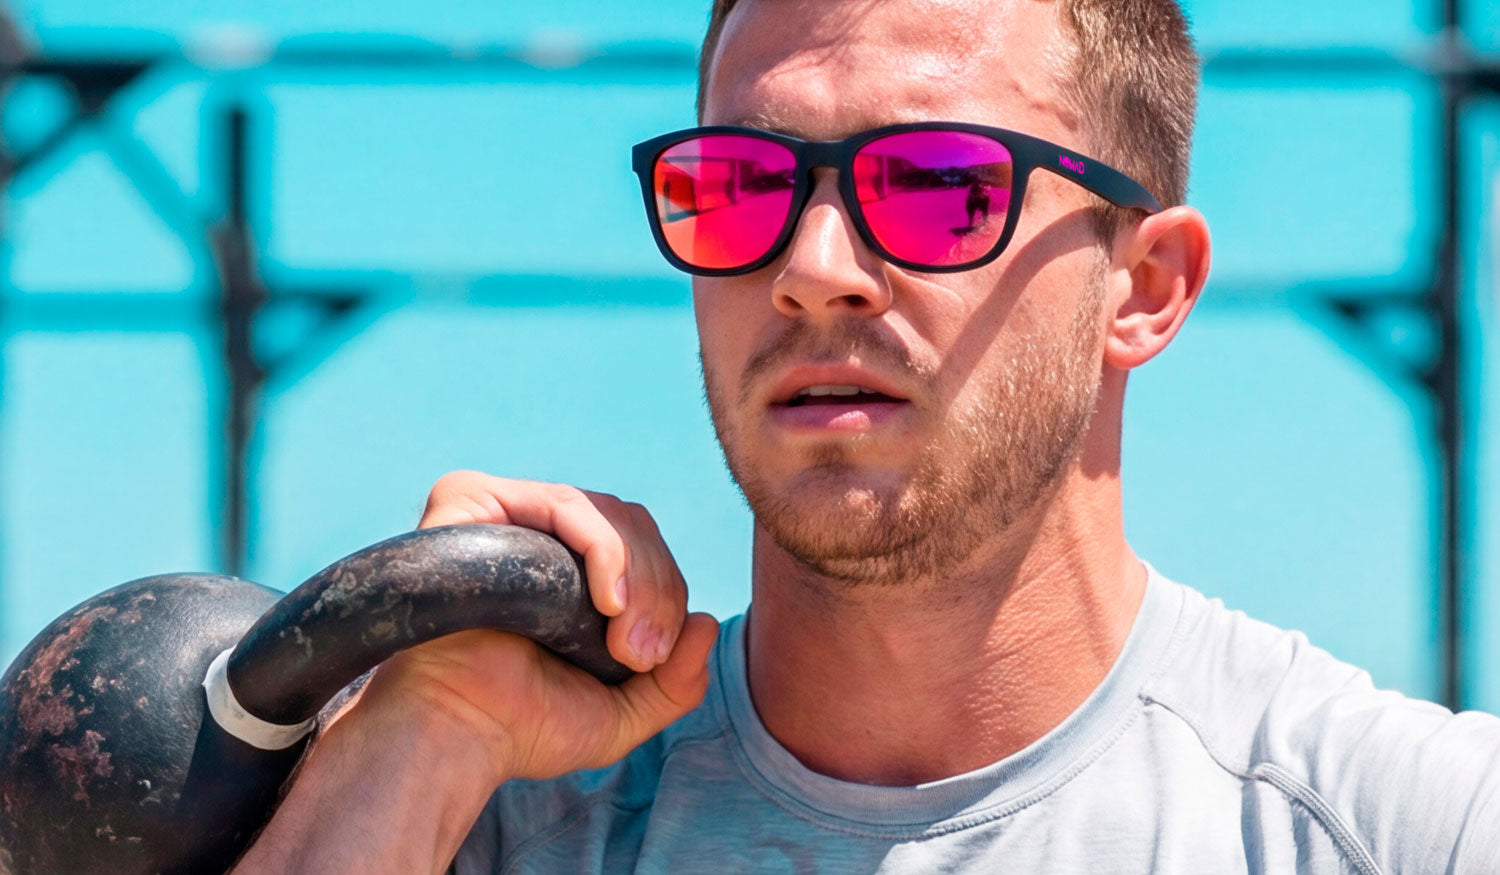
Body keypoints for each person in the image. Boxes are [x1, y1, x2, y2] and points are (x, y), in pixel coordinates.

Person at [235, 0, 1500, 872]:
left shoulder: (1412, 830)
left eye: (940, 186)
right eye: (739, 186)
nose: (814, 269)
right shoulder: (472, 814)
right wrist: (420, 737)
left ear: (1145, 286)